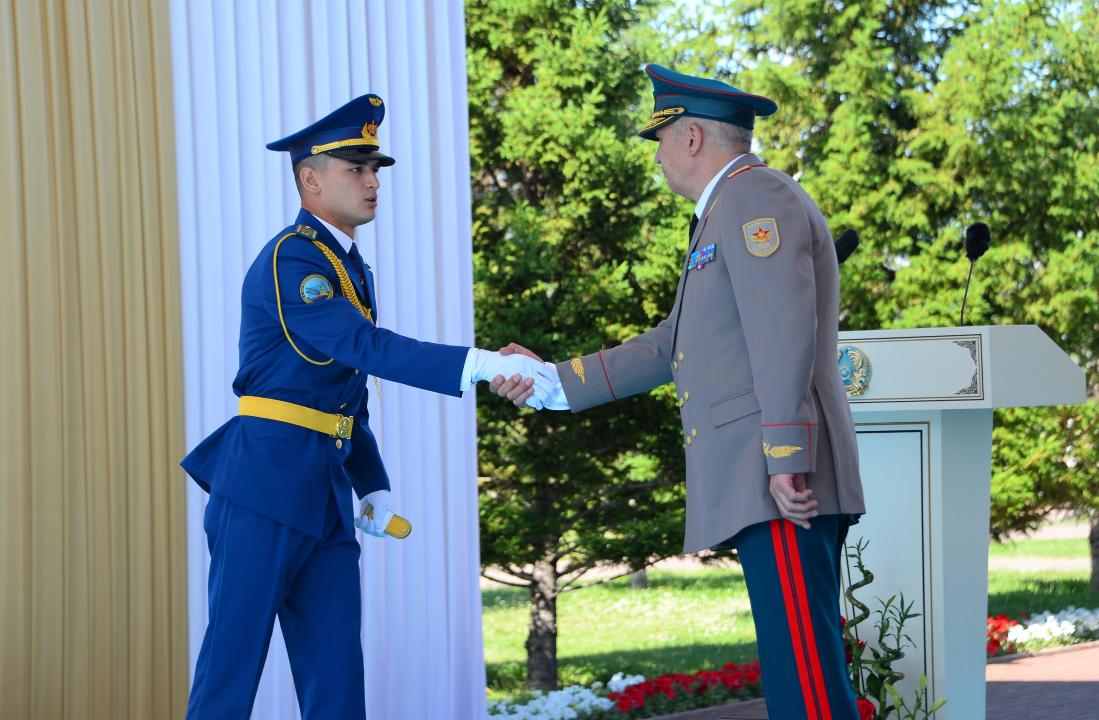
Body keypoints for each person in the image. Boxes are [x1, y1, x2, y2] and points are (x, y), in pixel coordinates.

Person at [492, 64, 866, 719]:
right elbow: (673, 344)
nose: (658, 155)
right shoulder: (726, 210)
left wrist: (785, 456)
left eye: (660, 138)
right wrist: (554, 381)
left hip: (777, 476)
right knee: (796, 670)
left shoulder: (753, 199)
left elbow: (784, 332)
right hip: (766, 472)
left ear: (691, 138)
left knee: (805, 677)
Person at [181, 92, 553, 719]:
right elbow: (363, 347)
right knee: (231, 672)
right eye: (355, 168)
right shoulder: (294, 256)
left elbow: (341, 393)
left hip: (323, 493)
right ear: (310, 179)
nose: (372, 180)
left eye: (374, 168)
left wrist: (370, 482)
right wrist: (483, 364)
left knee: (336, 679)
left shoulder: (347, 264)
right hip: (263, 487)